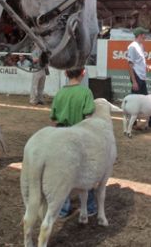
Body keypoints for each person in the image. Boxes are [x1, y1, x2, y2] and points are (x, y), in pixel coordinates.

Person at [50, 67, 98, 218]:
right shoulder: (85, 93)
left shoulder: (59, 93)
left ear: (65, 73)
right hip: (79, 136)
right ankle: (89, 206)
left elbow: (54, 119)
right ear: (83, 73)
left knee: (63, 173)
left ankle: (63, 209)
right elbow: (89, 117)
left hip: (62, 135)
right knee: (84, 172)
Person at [126, 27, 151, 127]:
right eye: (144, 34)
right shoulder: (132, 47)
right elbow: (130, 65)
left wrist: (148, 67)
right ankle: (134, 122)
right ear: (140, 35)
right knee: (136, 101)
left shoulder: (140, 46)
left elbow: (140, 62)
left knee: (143, 100)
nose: (145, 36)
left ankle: (150, 121)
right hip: (137, 77)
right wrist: (134, 81)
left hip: (141, 76)